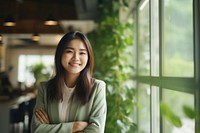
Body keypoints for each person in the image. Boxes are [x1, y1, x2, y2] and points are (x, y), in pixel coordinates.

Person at [31, 31, 107, 133]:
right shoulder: (45, 88)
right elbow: (37, 130)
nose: (76, 58)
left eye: (82, 53)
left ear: (88, 57)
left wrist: (50, 128)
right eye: (69, 51)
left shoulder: (97, 88)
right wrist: (75, 126)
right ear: (60, 54)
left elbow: (96, 130)